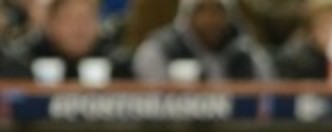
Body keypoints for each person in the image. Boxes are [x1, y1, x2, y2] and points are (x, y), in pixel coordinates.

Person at [131, 0, 275, 82]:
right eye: (201, 10)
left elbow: (268, 95)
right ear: (188, 15)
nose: (210, 18)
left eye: (218, 10)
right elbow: (150, 98)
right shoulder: (161, 48)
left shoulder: (246, 51)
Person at [4, 0, 132, 82]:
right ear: (50, 25)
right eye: (70, 19)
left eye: (86, 18)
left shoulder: (118, 62)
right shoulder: (23, 61)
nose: (80, 28)